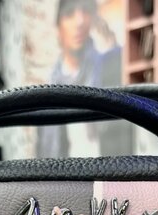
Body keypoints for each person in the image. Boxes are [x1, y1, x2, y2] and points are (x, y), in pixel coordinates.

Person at [36, 0, 125, 158]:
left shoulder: (108, 69)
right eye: (70, 14)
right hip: (68, 172)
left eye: (85, 12)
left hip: (111, 168)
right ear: (58, 26)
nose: (79, 22)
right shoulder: (48, 93)